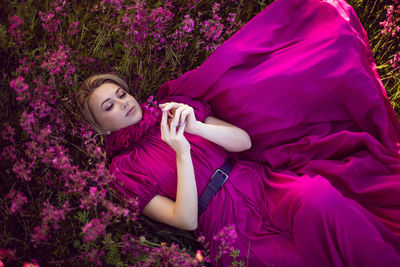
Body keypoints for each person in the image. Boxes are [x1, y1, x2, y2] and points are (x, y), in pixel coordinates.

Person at [77, 0, 400, 266]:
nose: (122, 103)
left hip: (261, 184)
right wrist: (181, 151)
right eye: (109, 107)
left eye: (121, 95)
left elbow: (243, 141)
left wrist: (196, 126)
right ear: (101, 127)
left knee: (325, 202)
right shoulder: (122, 171)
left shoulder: (171, 109)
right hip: (225, 225)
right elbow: (185, 220)